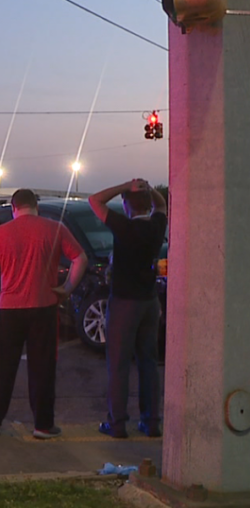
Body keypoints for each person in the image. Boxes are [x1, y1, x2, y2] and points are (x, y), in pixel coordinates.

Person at [0, 189, 87, 439]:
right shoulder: (54, 228)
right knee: (42, 366)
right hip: (44, 305)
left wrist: (5, 268)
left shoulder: (0, 232)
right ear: (36, 205)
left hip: (9, 308)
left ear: (14, 208)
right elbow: (80, 258)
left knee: (3, 366)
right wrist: (67, 288)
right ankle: (43, 425)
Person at [89, 179, 168, 439]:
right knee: (148, 362)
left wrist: (124, 185)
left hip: (124, 302)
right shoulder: (157, 226)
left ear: (126, 206)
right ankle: (151, 421)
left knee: (119, 364)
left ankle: (117, 422)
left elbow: (95, 200)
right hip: (149, 301)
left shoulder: (123, 227)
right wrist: (147, 189)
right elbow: (162, 204)